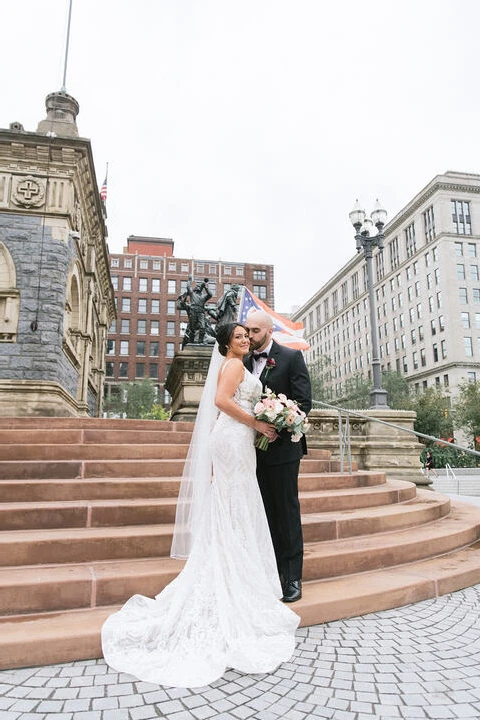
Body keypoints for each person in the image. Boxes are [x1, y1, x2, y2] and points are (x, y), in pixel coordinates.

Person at [101, 322, 300, 687]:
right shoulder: (235, 365)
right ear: (227, 343)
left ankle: (235, 565)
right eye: (239, 336)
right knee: (235, 500)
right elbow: (221, 402)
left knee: (235, 502)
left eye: (247, 335)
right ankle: (234, 573)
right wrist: (257, 422)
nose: (245, 339)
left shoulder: (236, 365)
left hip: (235, 438)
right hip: (235, 436)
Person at [244, 310, 312, 603]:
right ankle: (268, 571)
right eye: (247, 331)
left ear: (269, 331)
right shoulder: (243, 361)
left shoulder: (291, 358)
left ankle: (292, 575)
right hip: (249, 452)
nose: (249, 336)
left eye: (255, 331)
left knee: (286, 511)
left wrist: (277, 419)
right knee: (262, 512)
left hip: (284, 450)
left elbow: (304, 403)